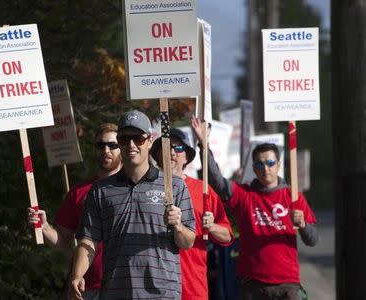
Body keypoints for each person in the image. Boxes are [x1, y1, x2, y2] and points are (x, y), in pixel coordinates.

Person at [70, 110, 196, 300]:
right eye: (124, 139)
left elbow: (188, 242)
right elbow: (88, 240)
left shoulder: (174, 186)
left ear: (150, 140)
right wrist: (77, 274)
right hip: (116, 292)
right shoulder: (100, 190)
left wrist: (178, 226)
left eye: (138, 138)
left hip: (161, 294)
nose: (131, 144)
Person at [191, 116, 318, 300]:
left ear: (279, 164)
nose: (265, 168)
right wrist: (204, 144)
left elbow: (312, 240)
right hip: (252, 285)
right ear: (253, 167)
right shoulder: (244, 195)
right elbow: (215, 179)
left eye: (270, 163)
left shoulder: (293, 196)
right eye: (259, 164)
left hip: (288, 285)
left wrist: (303, 225)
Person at [28, 123, 122, 300]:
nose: (106, 150)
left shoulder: (134, 188)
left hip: (126, 285)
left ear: (122, 148)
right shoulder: (79, 192)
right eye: (101, 145)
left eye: (113, 145)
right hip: (87, 287)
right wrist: (44, 226)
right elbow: (64, 241)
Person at [151, 127, 234, 300]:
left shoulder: (203, 190)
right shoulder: (145, 190)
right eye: (166, 147)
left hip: (192, 286)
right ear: (158, 155)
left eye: (178, 148)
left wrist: (211, 227)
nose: (172, 152)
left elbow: (227, 236)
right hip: (153, 287)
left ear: (187, 157)